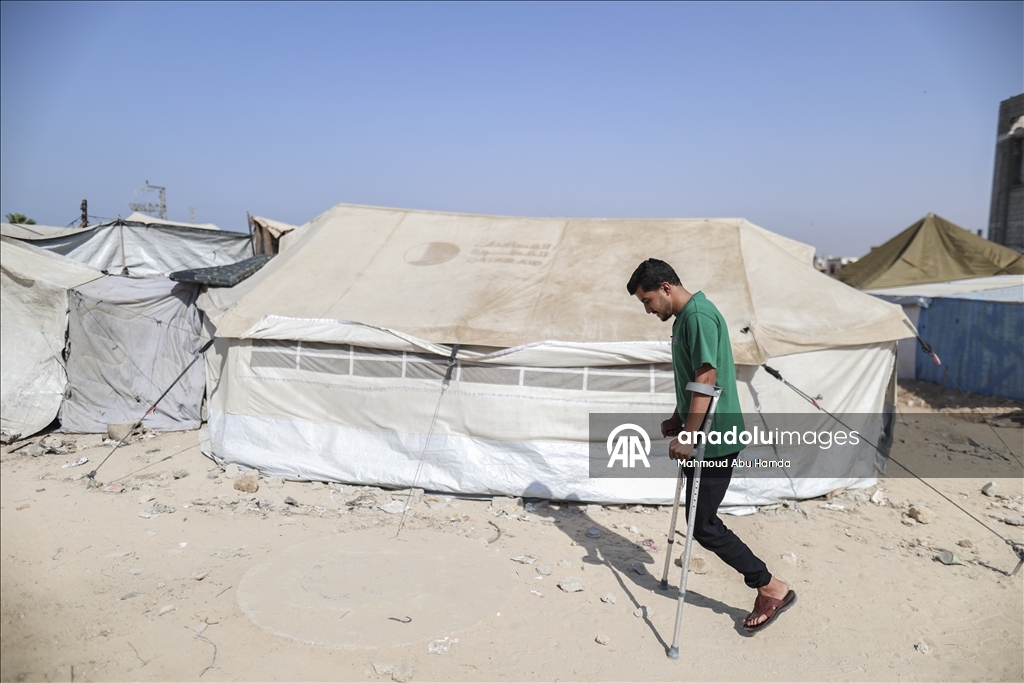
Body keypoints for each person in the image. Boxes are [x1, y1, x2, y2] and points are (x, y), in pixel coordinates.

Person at [626, 258, 797, 634]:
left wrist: (689, 435)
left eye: (648, 300)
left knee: (703, 526)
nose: (648, 309)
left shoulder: (698, 316)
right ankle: (770, 585)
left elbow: (707, 376)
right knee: (699, 519)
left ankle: (771, 587)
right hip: (704, 430)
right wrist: (679, 417)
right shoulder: (685, 319)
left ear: (667, 287)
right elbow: (692, 378)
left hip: (714, 437)